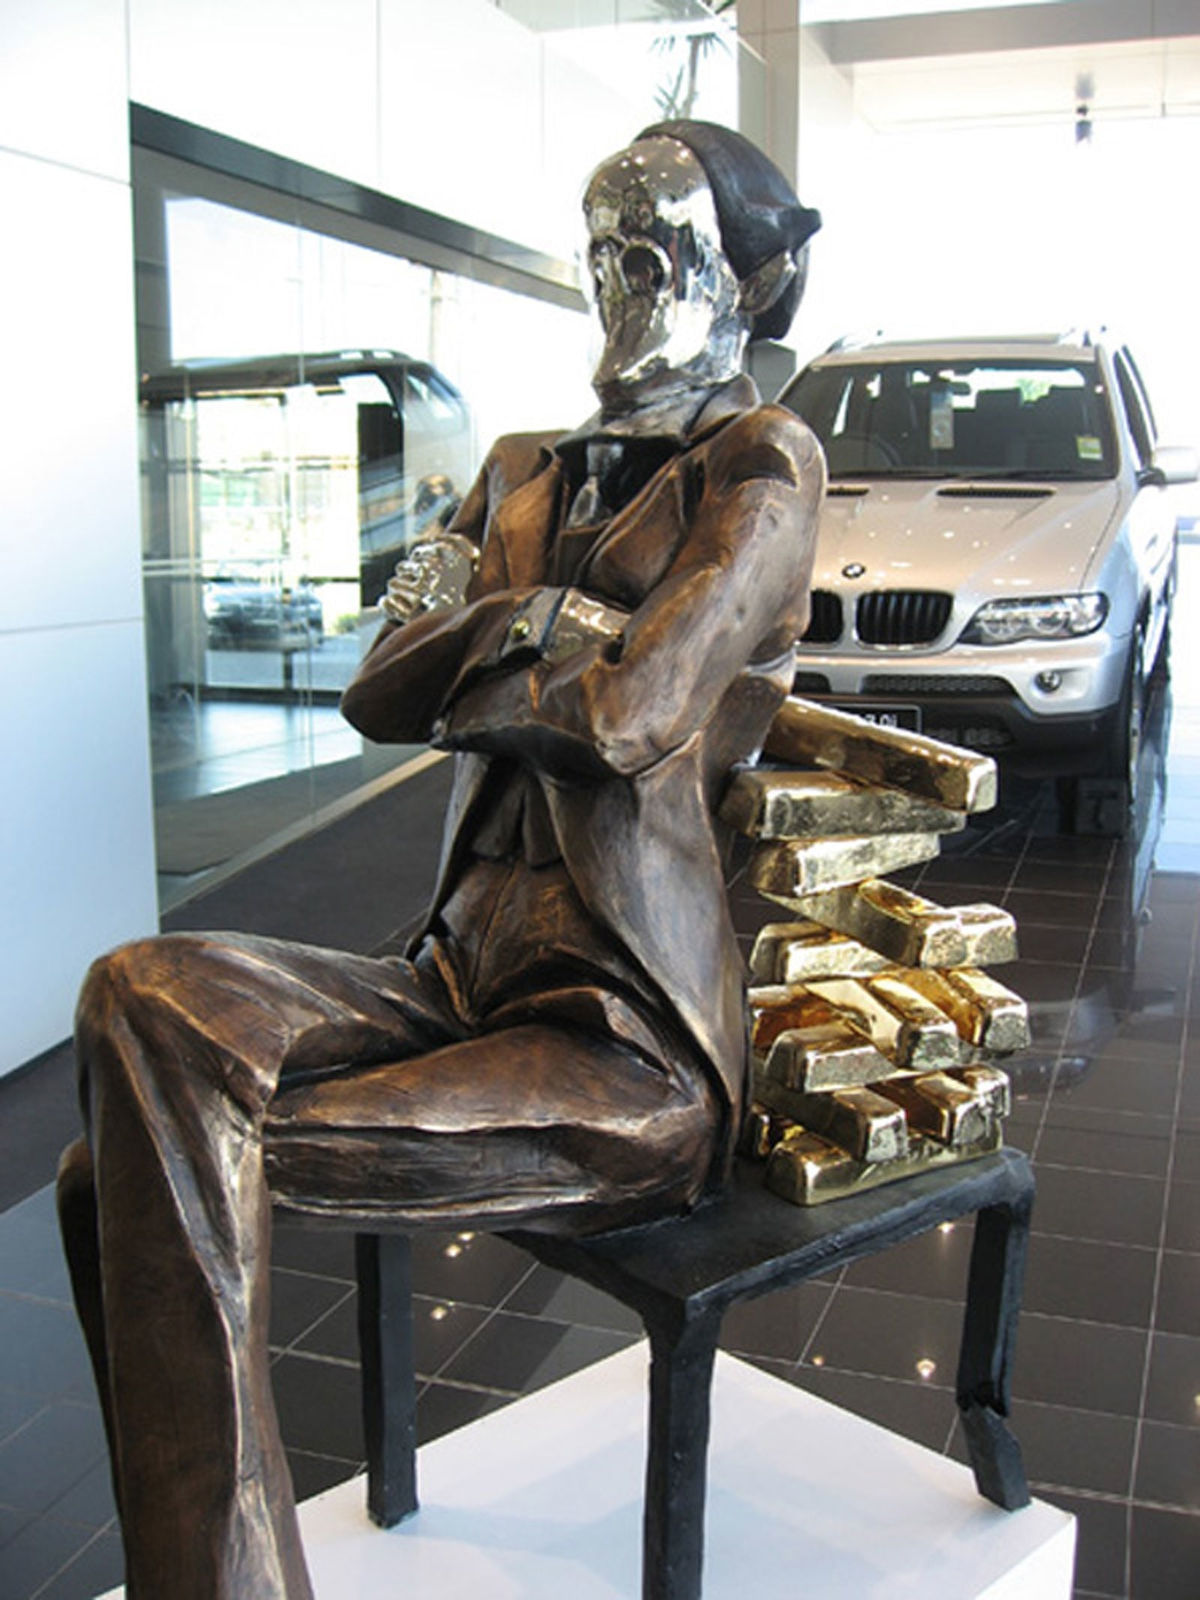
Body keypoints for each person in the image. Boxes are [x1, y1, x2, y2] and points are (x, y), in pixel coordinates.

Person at [57, 120, 824, 1599]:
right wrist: (550, 624)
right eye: (604, 254)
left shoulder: (762, 467)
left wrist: (512, 627)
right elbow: (375, 690)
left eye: (656, 256)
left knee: (123, 1179)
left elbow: (632, 713)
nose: (623, 287)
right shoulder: (521, 466)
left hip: (623, 1049)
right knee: (137, 988)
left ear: (742, 280)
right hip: (453, 978)